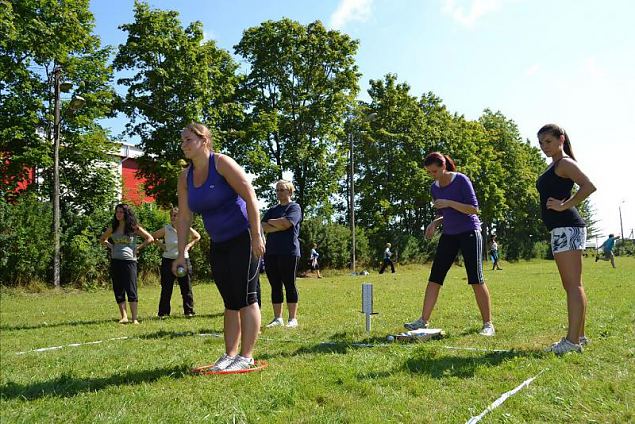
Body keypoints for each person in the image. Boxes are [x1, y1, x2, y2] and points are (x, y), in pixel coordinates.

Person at [172, 122, 265, 371]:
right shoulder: (185, 176)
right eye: (182, 140)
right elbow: (184, 217)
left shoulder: (222, 163)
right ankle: (229, 355)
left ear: (204, 141)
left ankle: (246, 356)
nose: (183, 145)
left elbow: (250, 196)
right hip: (219, 242)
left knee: (246, 297)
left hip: (243, 236)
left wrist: (257, 235)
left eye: (188, 140)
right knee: (230, 301)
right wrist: (181, 253)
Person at [404, 152, 495, 336]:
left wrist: (449, 202)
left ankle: (488, 325)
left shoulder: (461, 180)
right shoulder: (434, 188)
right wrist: (435, 222)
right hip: (449, 234)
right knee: (435, 277)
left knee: (475, 278)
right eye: (429, 172)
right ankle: (423, 320)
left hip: (470, 231)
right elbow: (445, 214)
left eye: (435, 171)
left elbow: (473, 209)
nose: (432, 175)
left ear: (444, 166)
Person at [536, 124, 596, 354]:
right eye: (541, 143)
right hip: (561, 229)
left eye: (548, 142)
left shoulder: (565, 163)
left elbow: (589, 186)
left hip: (567, 227)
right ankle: (578, 337)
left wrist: (565, 205)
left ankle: (571, 342)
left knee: (573, 285)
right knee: (573, 285)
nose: (544, 147)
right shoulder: (555, 165)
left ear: (561, 139)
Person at [100, 204, 154, 324]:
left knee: (131, 289)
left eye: (121, 212)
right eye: (117, 212)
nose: (118, 214)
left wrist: (138, 248)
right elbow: (102, 239)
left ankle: (134, 318)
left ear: (126, 214)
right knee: (118, 288)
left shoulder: (133, 227)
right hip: (115, 261)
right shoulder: (113, 228)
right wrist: (111, 246)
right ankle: (124, 316)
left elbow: (150, 238)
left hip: (130, 261)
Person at [262, 180, 303, 328]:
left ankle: (292, 319)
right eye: (277, 190)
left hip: (289, 252)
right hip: (271, 252)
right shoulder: (272, 209)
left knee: (289, 284)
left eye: (282, 190)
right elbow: (263, 227)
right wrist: (278, 224)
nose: (279, 192)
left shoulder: (295, 207)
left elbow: (288, 223)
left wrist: (274, 223)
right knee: (275, 285)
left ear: (290, 192)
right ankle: (277, 318)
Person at [152, 207, 201, 318]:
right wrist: (163, 246)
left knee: (186, 287)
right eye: (172, 216)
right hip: (168, 261)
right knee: (166, 288)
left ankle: (189, 312)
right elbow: (153, 237)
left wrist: (188, 246)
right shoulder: (167, 229)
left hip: (183, 260)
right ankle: (164, 313)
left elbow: (197, 236)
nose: (173, 218)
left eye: (175, 215)